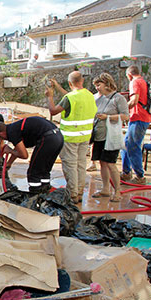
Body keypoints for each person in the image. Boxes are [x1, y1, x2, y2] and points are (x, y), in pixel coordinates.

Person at [46, 71, 97, 203]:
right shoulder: (89, 95)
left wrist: (50, 97)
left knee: (70, 165)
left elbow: (53, 110)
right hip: (85, 136)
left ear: (70, 83)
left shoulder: (70, 97)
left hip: (70, 137)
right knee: (81, 164)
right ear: (82, 81)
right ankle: (79, 192)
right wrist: (57, 86)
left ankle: (72, 194)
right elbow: (69, 97)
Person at [0, 116, 64, 193]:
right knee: (44, 170)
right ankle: (46, 192)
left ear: (1, 134)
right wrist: (9, 163)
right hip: (58, 137)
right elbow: (18, 148)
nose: (1, 140)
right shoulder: (14, 128)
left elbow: (24, 155)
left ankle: (35, 195)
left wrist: (10, 150)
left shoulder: (12, 132)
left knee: (33, 173)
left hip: (48, 139)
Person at [90, 73, 129, 202]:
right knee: (102, 163)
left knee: (111, 164)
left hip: (111, 136)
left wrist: (108, 117)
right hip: (99, 136)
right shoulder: (100, 99)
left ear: (106, 84)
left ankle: (117, 191)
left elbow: (125, 116)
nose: (97, 88)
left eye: (98, 85)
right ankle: (105, 189)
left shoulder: (118, 98)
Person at [121, 65, 151, 185]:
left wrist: (121, 110)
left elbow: (134, 101)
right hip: (140, 117)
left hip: (138, 117)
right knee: (125, 145)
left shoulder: (135, 82)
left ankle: (140, 176)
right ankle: (126, 172)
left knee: (133, 146)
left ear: (129, 75)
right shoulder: (144, 81)